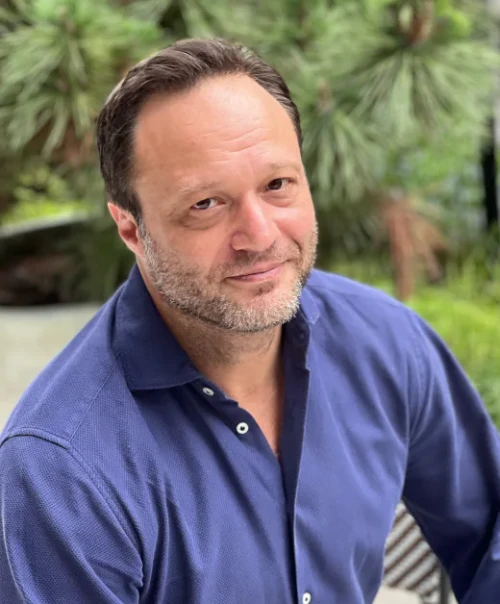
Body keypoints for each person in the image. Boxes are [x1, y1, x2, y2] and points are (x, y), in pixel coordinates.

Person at [0, 38, 499, 604]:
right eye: (205, 204)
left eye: (277, 185)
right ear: (131, 229)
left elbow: (489, 533)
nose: (259, 237)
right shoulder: (61, 471)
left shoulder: (385, 341)